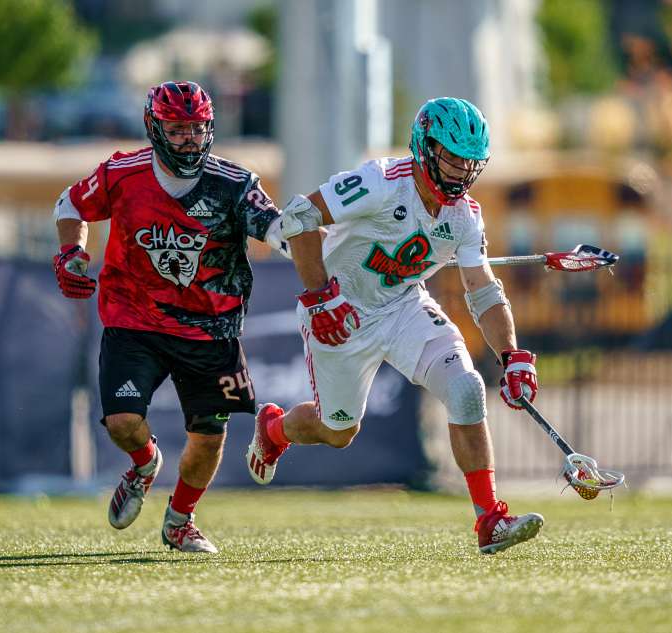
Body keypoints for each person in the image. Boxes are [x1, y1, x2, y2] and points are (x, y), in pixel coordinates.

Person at [246, 97, 544, 554]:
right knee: (338, 431)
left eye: (470, 162)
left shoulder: (465, 216)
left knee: (466, 388)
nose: (461, 171)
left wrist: (513, 356)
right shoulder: (380, 182)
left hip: (403, 306)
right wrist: (321, 297)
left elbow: (482, 290)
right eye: (452, 157)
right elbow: (299, 216)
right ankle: (274, 430)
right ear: (425, 148)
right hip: (341, 309)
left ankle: (489, 520)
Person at [53, 80, 287, 552]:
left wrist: (310, 237)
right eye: (178, 129)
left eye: (198, 129)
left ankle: (180, 520)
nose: (190, 139)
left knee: (207, 436)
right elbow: (71, 203)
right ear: (153, 127)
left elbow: (277, 228)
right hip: (133, 317)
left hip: (211, 327)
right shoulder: (123, 173)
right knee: (121, 422)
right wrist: (70, 253)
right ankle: (144, 463)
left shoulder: (235, 184)